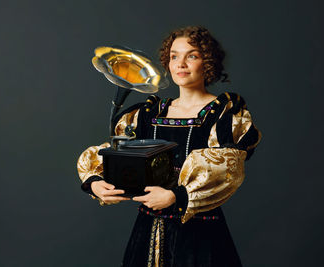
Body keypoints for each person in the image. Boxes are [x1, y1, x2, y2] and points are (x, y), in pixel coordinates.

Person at [77, 26, 261, 267]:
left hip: (200, 236)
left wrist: (176, 196)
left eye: (192, 56)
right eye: (174, 56)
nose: (180, 64)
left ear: (208, 62)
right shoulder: (149, 113)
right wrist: (94, 182)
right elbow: (116, 153)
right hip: (147, 230)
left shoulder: (224, 114)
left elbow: (227, 170)